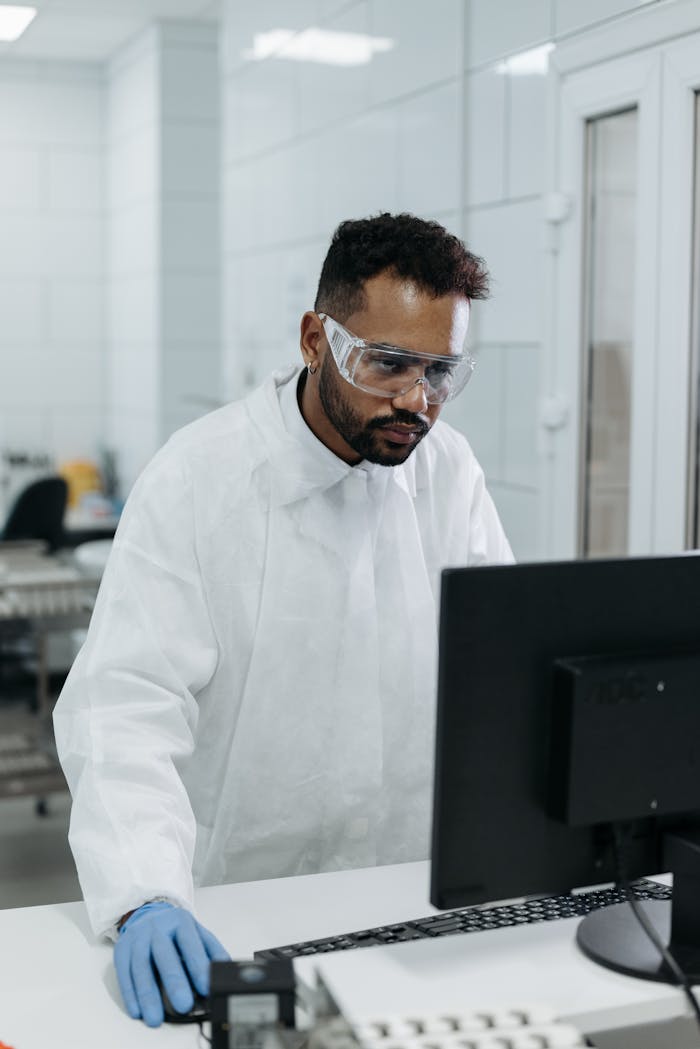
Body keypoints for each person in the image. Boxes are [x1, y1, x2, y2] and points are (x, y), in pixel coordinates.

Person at [53, 212, 514, 1027]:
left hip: (407, 906)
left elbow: (502, 673)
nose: (417, 400)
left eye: (441, 371)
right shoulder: (199, 480)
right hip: (234, 914)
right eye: (389, 363)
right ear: (315, 340)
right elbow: (123, 709)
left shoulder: (449, 472)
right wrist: (145, 894)